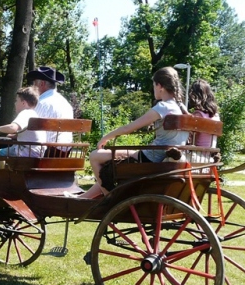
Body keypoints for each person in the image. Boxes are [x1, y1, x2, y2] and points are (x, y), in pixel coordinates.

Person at [80, 66, 189, 199]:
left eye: (154, 85)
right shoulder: (180, 109)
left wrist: (105, 138)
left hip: (150, 159)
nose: (153, 88)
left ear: (160, 86)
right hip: (161, 158)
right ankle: (83, 198)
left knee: (95, 156)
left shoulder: (162, 107)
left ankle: (110, 199)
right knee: (109, 167)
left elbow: (128, 128)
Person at [0, 86, 46, 158]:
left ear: (23, 103)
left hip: (25, 152)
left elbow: (13, 128)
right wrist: (16, 136)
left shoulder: (26, 113)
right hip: (37, 153)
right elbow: (31, 135)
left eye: (16, 101)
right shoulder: (35, 115)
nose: (15, 103)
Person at [26, 66, 74, 145]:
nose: (33, 86)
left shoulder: (41, 103)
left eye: (34, 83)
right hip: (64, 152)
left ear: (42, 84)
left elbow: (31, 133)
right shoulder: (66, 104)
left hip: (44, 151)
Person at [188, 79, 220, 148]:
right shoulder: (216, 115)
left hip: (197, 155)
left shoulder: (198, 115)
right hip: (209, 155)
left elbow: (192, 141)